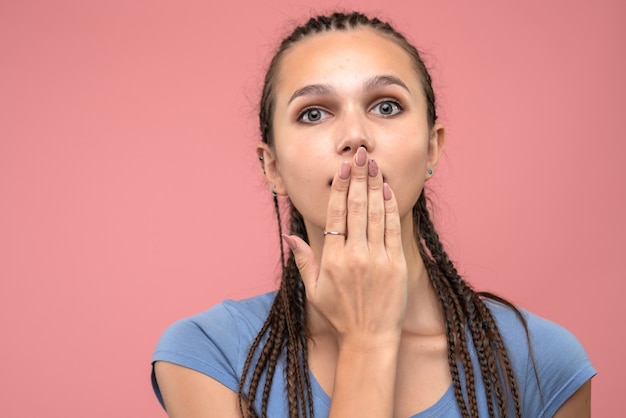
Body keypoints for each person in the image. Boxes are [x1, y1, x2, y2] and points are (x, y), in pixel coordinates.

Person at [151, 11, 595, 418]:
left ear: (432, 147)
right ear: (273, 167)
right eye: (312, 113)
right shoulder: (210, 354)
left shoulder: (543, 363)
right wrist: (368, 341)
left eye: (386, 106)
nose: (355, 136)